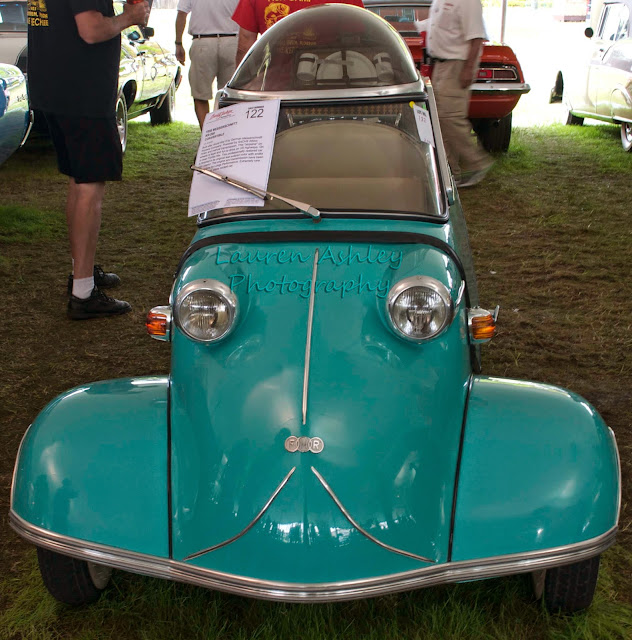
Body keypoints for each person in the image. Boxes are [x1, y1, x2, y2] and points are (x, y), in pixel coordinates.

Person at [27, 0, 150, 320]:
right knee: (89, 187)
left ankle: (81, 272)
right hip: (83, 94)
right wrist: (131, 17)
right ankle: (83, 293)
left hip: (55, 88)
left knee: (78, 180)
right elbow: (92, 30)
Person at [426, 0, 493, 188]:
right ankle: (450, 172)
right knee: (440, 120)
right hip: (441, 64)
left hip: (457, 64)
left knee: (450, 117)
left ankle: (477, 163)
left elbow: (477, 37)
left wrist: (468, 68)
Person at [232, 0, 364, 65]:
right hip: (329, 79)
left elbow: (245, 45)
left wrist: (244, 85)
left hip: (276, 86)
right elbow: (358, 40)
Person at [175, 0, 240, 128]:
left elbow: (182, 14)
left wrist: (178, 43)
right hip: (231, 41)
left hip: (203, 41)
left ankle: (207, 136)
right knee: (229, 95)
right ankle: (226, 134)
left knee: (200, 95)